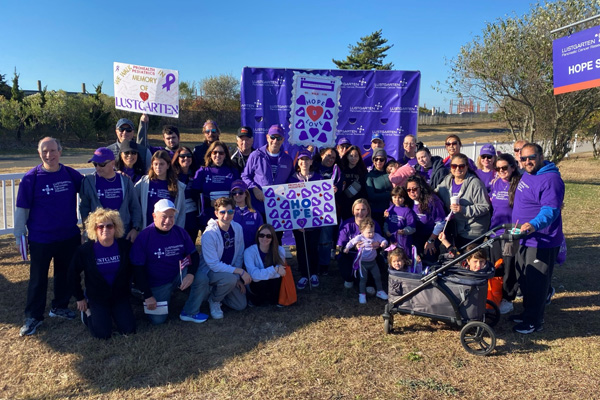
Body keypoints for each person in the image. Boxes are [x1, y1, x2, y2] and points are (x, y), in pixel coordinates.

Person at [14, 137, 83, 336]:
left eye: (53, 150)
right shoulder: (31, 177)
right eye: (44, 151)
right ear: (39, 153)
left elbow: (90, 187)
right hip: (41, 238)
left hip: (68, 236)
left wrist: (114, 173)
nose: (49, 155)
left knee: (65, 273)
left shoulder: (70, 174)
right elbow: (22, 209)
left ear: (60, 152)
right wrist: (19, 234)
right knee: (38, 278)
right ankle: (33, 317)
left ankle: (59, 307)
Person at [510, 143, 564, 334]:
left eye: (531, 157)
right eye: (523, 158)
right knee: (524, 279)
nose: (527, 162)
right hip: (523, 238)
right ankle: (527, 313)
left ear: (541, 156)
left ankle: (534, 321)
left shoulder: (551, 180)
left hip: (541, 240)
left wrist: (533, 224)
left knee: (537, 282)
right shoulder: (528, 174)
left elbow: (551, 210)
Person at [131, 199, 209, 324]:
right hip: (157, 283)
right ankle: (141, 297)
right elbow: (137, 269)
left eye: (171, 217)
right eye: (164, 216)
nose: (168, 221)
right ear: (154, 216)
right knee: (158, 320)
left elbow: (194, 255)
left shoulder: (180, 232)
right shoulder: (144, 237)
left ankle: (190, 311)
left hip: (177, 275)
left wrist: (191, 274)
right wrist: (147, 295)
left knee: (201, 278)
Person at [69, 208, 136, 339]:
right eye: (100, 226)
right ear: (95, 229)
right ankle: (88, 313)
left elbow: (135, 269)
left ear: (115, 228)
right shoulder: (85, 251)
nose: (105, 229)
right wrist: (79, 297)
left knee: (129, 330)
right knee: (102, 335)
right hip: (97, 297)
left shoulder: (125, 247)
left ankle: (114, 312)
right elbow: (72, 274)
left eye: (109, 226)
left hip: (119, 296)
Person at [199, 197, 249, 319]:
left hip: (229, 274)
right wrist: (239, 272)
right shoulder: (209, 234)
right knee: (230, 280)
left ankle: (219, 291)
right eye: (222, 212)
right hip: (210, 272)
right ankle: (214, 300)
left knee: (240, 305)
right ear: (216, 213)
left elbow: (239, 255)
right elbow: (213, 265)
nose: (227, 215)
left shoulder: (237, 228)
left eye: (230, 212)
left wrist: (237, 278)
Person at [79, 147, 142, 242]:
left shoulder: (125, 181)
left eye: (101, 164)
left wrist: (135, 228)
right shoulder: (89, 181)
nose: (98, 168)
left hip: (123, 233)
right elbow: (84, 208)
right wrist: (86, 230)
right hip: (99, 233)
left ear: (112, 163)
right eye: (95, 164)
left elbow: (135, 207)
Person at [488, 153, 521, 314]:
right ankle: (496, 295)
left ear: (513, 167)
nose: (501, 171)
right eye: (498, 168)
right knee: (496, 266)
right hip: (495, 231)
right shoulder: (495, 183)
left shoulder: (519, 185)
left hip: (511, 233)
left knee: (509, 267)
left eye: (504, 168)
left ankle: (508, 298)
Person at [436, 153, 491, 249]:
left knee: (469, 260)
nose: (457, 169)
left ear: (467, 167)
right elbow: (436, 193)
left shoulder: (475, 184)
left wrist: (463, 209)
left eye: (461, 166)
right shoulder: (447, 180)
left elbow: (485, 206)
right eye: (454, 166)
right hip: (456, 228)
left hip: (473, 230)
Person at [288, 149, 323, 289]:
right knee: (301, 248)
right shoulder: (292, 179)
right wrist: (295, 221)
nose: (304, 162)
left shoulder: (319, 178)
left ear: (311, 161)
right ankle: (303, 274)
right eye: (301, 160)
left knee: (313, 247)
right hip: (298, 222)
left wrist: (331, 190)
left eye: (307, 159)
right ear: (298, 162)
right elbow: (288, 201)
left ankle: (314, 273)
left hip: (315, 221)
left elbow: (323, 199)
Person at [241, 124, 294, 216]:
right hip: (258, 206)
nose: (275, 141)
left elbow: (291, 179)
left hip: (279, 208)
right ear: (267, 137)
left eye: (279, 138)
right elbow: (245, 176)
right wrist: (254, 188)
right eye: (272, 137)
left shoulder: (288, 159)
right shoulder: (256, 155)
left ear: (283, 140)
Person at [337, 198, 384, 290]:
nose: (360, 212)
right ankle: (349, 278)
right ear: (353, 211)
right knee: (343, 261)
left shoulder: (374, 224)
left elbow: (381, 241)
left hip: (369, 256)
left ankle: (370, 282)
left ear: (368, 211)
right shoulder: (347, 224)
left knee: (379, 261)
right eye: (357, 210)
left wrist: (377, 245)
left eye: (363, 210)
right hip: (351, 256)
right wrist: (354, 247)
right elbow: (340, 247)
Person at [192, 140, 240, 230]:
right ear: (210, 154)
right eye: (215, 152)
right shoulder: (202, 171)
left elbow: (238, 191)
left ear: (225, 155)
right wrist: (209, 202)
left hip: (228, 215)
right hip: (208, 215)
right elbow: (195, 194)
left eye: (221, 153)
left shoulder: (232, 170)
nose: (218, 155)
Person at [134, 150, 186, 228]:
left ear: (168, 165)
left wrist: (177, 232)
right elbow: (132, 198)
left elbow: (181, 212)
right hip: (147, 227)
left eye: (162, 164)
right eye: (156, 164)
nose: (158, 167)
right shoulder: (144, 182)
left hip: (168, 229)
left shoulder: (178, 186)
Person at [343, 218, 389, 304]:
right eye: (369, 232)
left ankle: (380, 291)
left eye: (372, 231)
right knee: (363, 279)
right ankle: (362, 294)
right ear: (362, 230)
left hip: (373, 263)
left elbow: (384, 240)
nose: (371, 234)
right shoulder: (359, 237)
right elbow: (351, 242)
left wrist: (383, 243)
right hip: (362, 263)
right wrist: (347, 248)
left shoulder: (376, 236)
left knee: (377, 276)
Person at [313, 147, 342, 275]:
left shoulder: (337, 171)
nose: (330, 159)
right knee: (312, 239)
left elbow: (340, 189)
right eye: (328, 156)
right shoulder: (313, 167)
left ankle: (324, 265)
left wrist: (336, 189)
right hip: (311, 210)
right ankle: (312, 263)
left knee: (325, 239)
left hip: (328, 210)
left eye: (333, 157)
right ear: (321, 155)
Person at [244, 224, 287, 306]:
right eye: (261, 235)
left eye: (268, 236)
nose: (265, 238)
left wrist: (261, 275)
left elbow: (281, 274)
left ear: (273, 238)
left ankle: (273, 298)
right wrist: (275, 270)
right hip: (257, 286)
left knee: (275, 283)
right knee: (260, 286)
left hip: (273, 283)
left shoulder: (280, 250)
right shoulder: (249, 251)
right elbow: (254, 275)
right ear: (257, 236)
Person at [405, 175, 446, 262]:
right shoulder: (409, 201)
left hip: (431, 236)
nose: (411, 192)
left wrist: (431, 240)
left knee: (429, 256)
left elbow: (441, 222)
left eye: (414, 189)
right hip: (415, 235)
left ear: (421, 188)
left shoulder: (432, 201)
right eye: (408, 190)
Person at [172, 146, 200, 243]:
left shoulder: (196, 173)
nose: (186, 158)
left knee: (191, 241)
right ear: (177, 158)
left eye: (188, 156)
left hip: (192, 214)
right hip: (178, 212)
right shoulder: (172, 175)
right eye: (182, 156)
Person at [230, 179, 263, 249]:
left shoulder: (255, 214)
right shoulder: (228, 213)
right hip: (233, 253)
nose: (237, 194)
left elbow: (260, 235)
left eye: (240, 192)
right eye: (234, 192)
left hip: (250, 251)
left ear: (246, 194)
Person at [338, 145, 368, 221]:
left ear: (359, 157)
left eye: (356, 156)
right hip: (344, 204)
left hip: (358, 204)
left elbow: (364, 189)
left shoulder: (362, 171)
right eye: (351, 156)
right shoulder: (341, 170)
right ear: (347, 156)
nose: (353, 158)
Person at [384, 186, 417, 253]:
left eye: (400, 197)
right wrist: (386, 230)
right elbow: (386, 223)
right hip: (392, 241)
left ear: (404, 198)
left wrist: (404, 231)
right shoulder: (390, 209)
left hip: (404, 242)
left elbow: (412, 227)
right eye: (395, 197)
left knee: (404, 258)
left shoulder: (407, 211)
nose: (397, 199)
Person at [365, 148, 392, 228]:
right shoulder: (370, 176)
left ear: (385, 160)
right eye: (376, 159)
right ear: (373, 160)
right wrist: (389, 194)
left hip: (391, 210)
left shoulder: (390, 174)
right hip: (376, 212)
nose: (378, 162)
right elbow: (372, 196)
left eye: (381, 159)